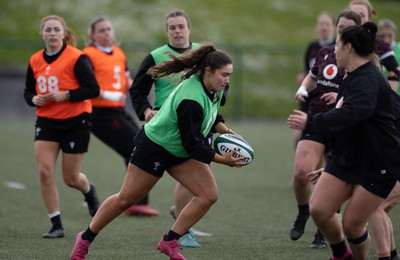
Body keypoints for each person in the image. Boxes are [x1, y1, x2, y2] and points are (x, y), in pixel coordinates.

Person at [71, 44, 244, 260]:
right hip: (155, 148)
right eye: (224, 75)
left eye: (230, 75)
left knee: (208, 195)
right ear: (208, 71)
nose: (227, 80)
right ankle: (85, 238)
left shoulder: (213, 88)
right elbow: (194, 145)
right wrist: (223, 160)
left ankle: (170, 241)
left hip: (178, 150)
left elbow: (212, 115)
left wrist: (225, 131)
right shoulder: (191, 99)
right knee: (126, 199)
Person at [288, 22, 400, 260]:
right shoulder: (352, 77)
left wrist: (311, 123)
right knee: (319, 209)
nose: (332, 51)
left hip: (376, 163)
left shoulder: (368, 80)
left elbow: (351, 115)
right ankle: (342, 256)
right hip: (348, 158)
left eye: (337, 46)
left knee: (351, 224)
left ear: (348, 48)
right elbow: (347, 127)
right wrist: (330, 165)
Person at [130, 9, 204, 247]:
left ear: (189, 28)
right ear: (167, 31)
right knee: (190, 175)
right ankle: (183, 231)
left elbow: (219, 83)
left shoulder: (203, 53)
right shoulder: (156, 56)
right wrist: (145, 110)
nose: (177, 31)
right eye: (172, 27)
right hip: (168, 124)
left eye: (181, 26)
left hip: (199, 121)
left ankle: (181, 212)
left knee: (202, 178)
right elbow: (137, 89)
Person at [23, 15, 100, 239]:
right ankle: (56, 224)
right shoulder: (35, 59)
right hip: (47, 122)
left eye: (56, 29)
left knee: (71, 178)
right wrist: (33, 99)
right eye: (48, 30)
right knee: (44, 171)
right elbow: (28, 91)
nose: (52, 33)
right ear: (42, 33)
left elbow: (93, 89)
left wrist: (66, 94)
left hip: (76, 122)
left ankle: (89, 190)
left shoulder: (76, 58)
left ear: (64, 32)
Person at [290, 10, 361, 249]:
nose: (341, 30)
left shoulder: (363, 59)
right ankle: (303, 212)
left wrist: (341, 96)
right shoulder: (324, 51)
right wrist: (302, 89)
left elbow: (365, 93)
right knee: (301, 173)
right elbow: (311, 77)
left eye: (347, 27)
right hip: (317, 118)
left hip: (343, 125)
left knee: (333, 179)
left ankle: (324, 230)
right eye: (339, 26)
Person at [83, 17, 159, 217]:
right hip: (100, 113)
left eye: (109, 29)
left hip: (118, 110)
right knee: (136, 148)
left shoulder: (118, 53)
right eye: (101, 30)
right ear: (93, 35)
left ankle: (135, 201)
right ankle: (133, 201)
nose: (107, 33)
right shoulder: (88, 55)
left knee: (143, 145)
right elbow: (86, 86)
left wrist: (140, 91)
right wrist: (108, 94)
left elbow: (126, 80)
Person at [293, 12, 336, 149]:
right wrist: (303, 78)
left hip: (327, 98)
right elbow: (310, 71)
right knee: (297, 137)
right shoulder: (312, 47)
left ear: (333, 27)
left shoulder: (338, 47)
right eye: (321, 24)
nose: (324, 27)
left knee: (325, 143)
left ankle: (319, 169)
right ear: (317, 27)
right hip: (309, 98)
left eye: (327, 24)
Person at [348, 0, 400, 92]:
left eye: (362, 15)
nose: (358, 19)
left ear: (369, 19)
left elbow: (394, 72)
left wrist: (387, 98)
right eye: (354, 15)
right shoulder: (341, 43)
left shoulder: (378, 44)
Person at [377, 18, 400, 93]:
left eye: (390, 36)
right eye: (382, 36)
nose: (386, 40)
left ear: (395, 35)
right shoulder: (373, 51)